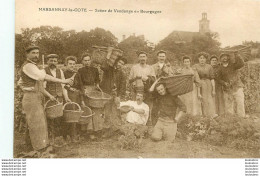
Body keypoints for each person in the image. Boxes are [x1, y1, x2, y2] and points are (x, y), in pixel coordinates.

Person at [18, 46, 73, 155]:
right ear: (27, 54)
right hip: (31, 97)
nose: (36, 55)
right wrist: (64, 80)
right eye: (33, 53)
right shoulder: (28, 66)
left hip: (36, 96)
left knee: (39, 123)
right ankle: (38, 148)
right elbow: (44, 77)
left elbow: (25, 82)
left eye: (37, 53)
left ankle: (38, 147)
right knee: (36, 123)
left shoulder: (33, 66)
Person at [43, 54, 71, 145]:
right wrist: (49, 96)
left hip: (59, 98)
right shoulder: (43, 71)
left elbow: (63, 85)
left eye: (55, 61)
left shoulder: (60, 72)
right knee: (50, 119)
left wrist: (66, 97)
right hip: (49, 99)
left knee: (60, 117)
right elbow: (41, 87)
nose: (53, 63)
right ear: (47, 61)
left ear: (57, 62)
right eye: (51, 60)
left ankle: (60, 138)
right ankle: (50, 139)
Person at [77, 53, 102, 139]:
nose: (87, 62)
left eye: (88, 60)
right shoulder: (80, 71)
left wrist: (97, 85)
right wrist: (84, 91)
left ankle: (97, 130)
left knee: (95, 109)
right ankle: (88, 131)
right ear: (82, 62)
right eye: (85, 60)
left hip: (94, 90)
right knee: (87, 110)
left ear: (90, 61)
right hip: (85, 91)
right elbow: (80, 83)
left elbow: (97, 80)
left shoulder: (95, 70)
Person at [129, 51, 156, 125]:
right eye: (141, 57)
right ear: (138, 58)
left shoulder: (150, 68)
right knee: (136, 106)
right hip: (136, 90)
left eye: (144, 56)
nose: (142, 58)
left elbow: (154, 79)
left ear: (146, 58)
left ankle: (147, 122)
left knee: (147, 106)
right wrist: (136, 78)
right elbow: (129, 80)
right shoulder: (134, 67)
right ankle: (135, 123)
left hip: (147, 91)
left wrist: (147, 78)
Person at [217, 52, 245, 117]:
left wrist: (237, 55)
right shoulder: (220, 68)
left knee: (240, 102)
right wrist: (224, 83)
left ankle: (241, 117)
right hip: (227, 89)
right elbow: (218, 79)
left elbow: (242, 64)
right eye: (222, 57)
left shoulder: (233, 65)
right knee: (229, 104)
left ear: (228, 57)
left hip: (237, 86)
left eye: (225, 56)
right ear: (220, 59)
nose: (224, 58)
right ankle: (230, 118)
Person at [63, 56, 81, 142]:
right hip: (68, 96)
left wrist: (80, 93)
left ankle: (74, 134)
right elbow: (62, 84)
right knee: (69, 116)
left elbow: (80, 85)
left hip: (77, 96)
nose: (72, 66)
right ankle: (68, 136)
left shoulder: (77, 74)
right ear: (66, 64)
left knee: (76, 115)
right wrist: (69, 88)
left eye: (74, 64)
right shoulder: (63, 73)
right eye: (70, 64)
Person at [192, 52, 216, 117]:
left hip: (208, 84)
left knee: (208, 99)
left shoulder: (209, 67)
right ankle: (201, 115)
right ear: (198, 59)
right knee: (199, 99)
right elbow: (194, 77)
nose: (202, 60)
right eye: (200, 58)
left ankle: (209, 115)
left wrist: (213, 89)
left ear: (206, 59)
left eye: (204, 58)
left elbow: (212, 78)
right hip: (198, 85)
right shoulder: (195, 66)